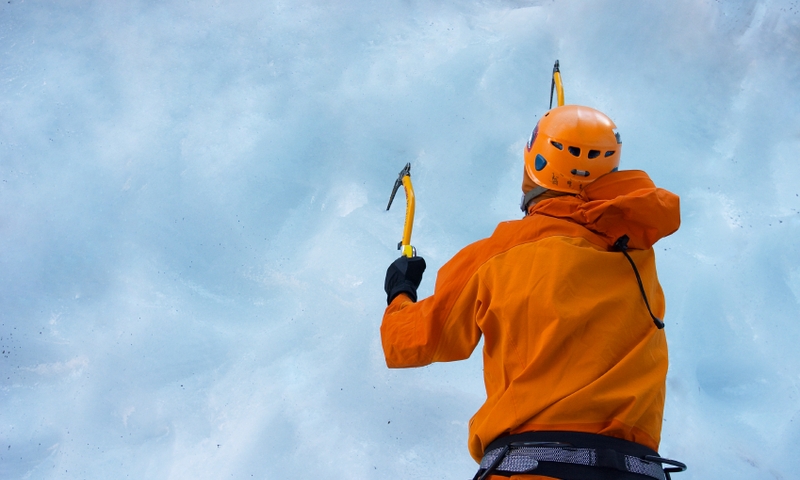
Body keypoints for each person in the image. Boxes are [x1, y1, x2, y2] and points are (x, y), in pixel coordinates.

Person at [381, 104, 682, 480]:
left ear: (533, 164)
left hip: (533, 466)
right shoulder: (636, 249)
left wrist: (400, 290)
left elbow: (408, 344)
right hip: (637, 471)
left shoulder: (497, 254)